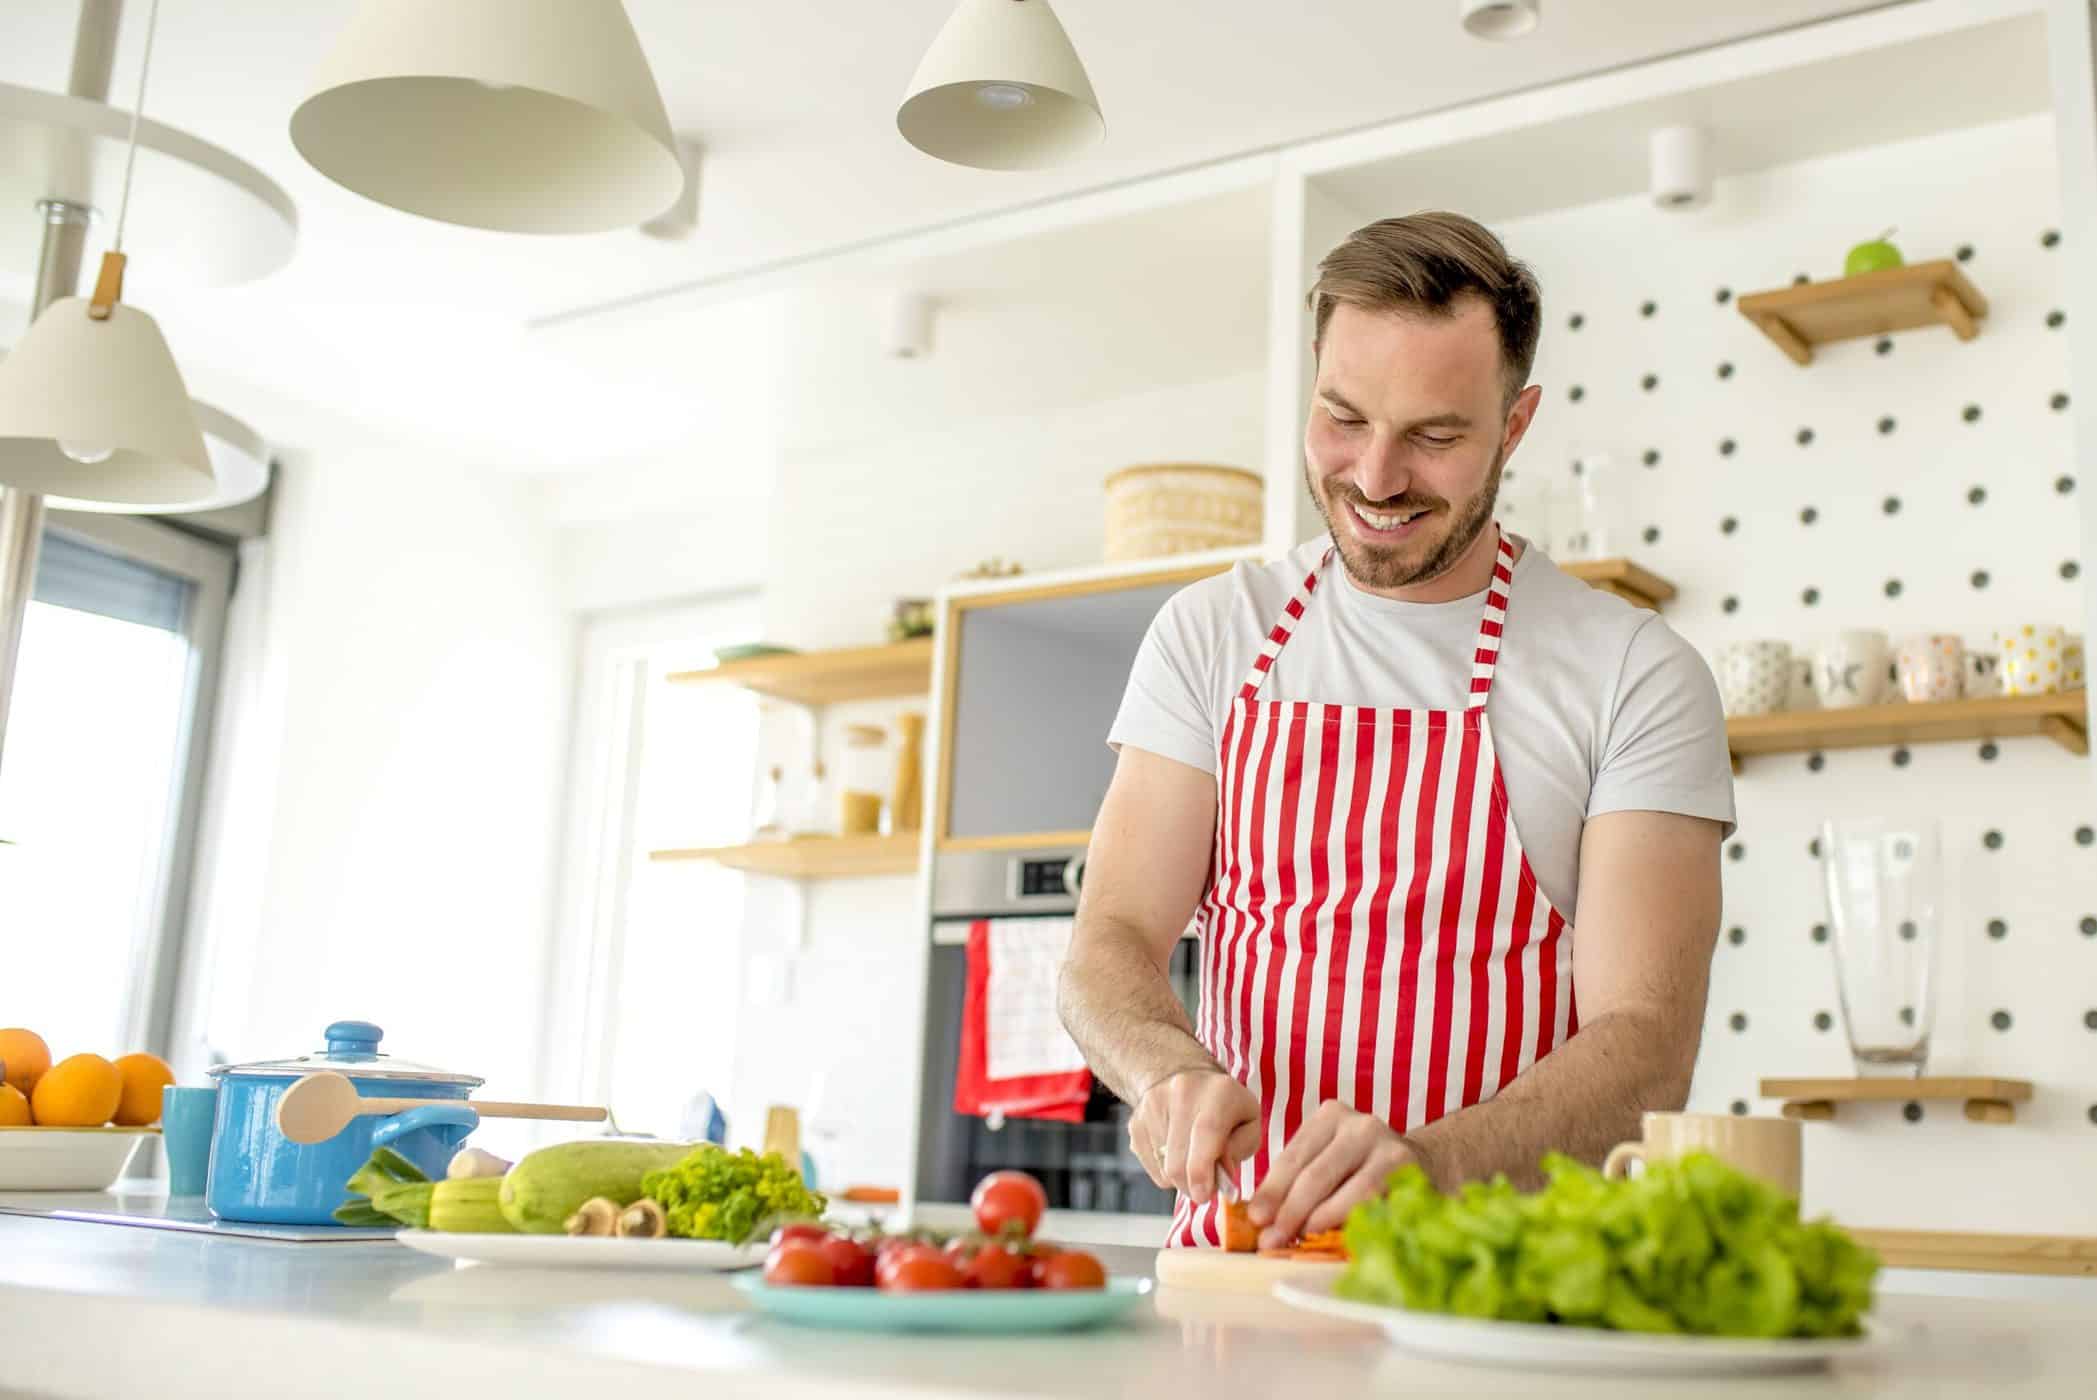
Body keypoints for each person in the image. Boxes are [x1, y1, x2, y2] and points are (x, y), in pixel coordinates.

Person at [1058, 211, 1735, 1250]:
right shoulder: (1213, 632)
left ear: (1514, 426)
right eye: (1342, 418)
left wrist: (1431, 1167)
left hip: (1503, 1292)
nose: (1375, 477)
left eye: (1435, 435)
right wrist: (1167, 1069)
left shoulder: (1633, 672)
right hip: (1240, 1276)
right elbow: (1107, 941)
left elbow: (1645, 1045)